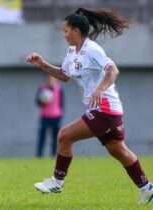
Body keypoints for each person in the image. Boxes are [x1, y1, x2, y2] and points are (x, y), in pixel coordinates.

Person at [26, 7, 153, 204]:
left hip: (105, 109)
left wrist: (100, 89)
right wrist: (42, 64)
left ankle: (57, 182)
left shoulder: (92, 50)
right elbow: (64, 75)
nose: (64, 34)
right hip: (102, 109)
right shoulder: (72, 51)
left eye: (66, 30)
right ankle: (147, 188)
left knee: (64, 135)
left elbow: (113, 71)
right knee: (117, 149)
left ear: (76, 31)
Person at [35, 75, 64, 157]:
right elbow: (37, 101)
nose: (51, 80)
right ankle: (39, 155)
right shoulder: (42, 88)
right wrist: (43, 102)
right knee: (42, 137)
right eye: (49, 78)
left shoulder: (59, 89)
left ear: (55, 80)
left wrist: (60, 114)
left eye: (53, 79)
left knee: (55, 138)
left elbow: (61, 104)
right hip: (45, 116)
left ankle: (53, 155)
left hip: (56, 116)